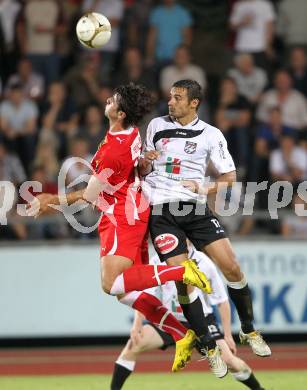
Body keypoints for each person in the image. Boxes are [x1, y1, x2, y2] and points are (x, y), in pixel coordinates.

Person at [26, 83, 212, 372]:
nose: (107, 100)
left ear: (120, 113)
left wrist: (50, 199)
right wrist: (140, 166)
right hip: (134, 208)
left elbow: (88, 197)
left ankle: (181, 270)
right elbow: (132, 167)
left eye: (112, 100)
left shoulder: (113, 150)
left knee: (110, 283)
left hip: (122, 216)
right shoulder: (130, 133)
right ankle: (180, 334)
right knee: (128, 292)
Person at [139, 79, 271, 378]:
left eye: (177, 97)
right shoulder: (156, 126)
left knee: (232, 268)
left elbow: (229, 177)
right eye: (170, 97)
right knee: (183, 280)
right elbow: (144, 168)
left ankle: (248, 330)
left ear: (194, 102)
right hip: (161, 212)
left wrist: (203, 186)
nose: (170, 102)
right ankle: (209, 348)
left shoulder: (211, 135)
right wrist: (145, 163)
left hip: (195, 209)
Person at [111, 245, 266, 390]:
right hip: (169, 320)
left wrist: (227, 335)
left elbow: (222, 301)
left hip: (200, 321)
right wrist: (136, 325)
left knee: (229, 361)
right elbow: (145, 294)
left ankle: (259, 389)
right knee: (133, 345)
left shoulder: (204, 263)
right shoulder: (157, 260)